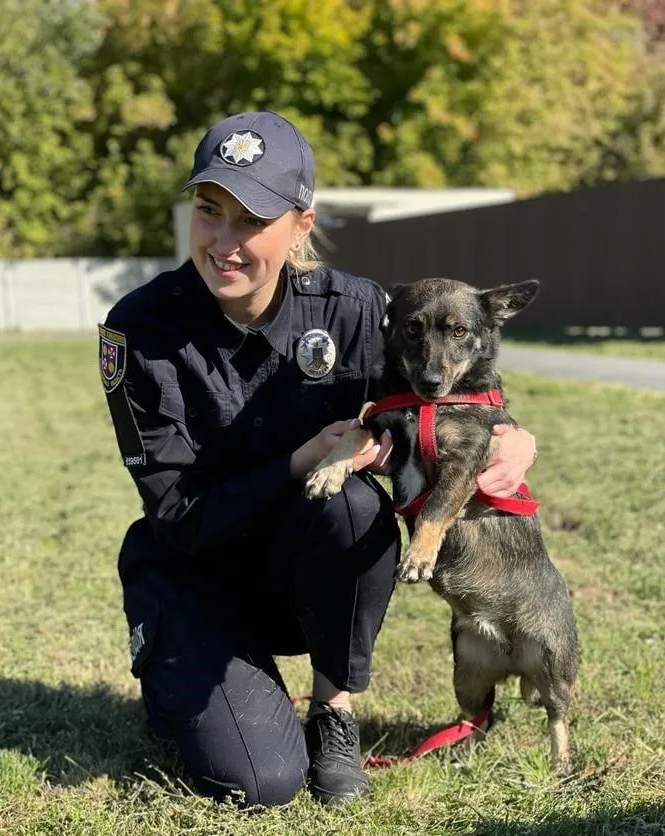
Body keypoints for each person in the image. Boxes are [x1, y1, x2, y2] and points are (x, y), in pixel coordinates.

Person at [99, 110, 537, 808]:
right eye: (210, 213)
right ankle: (182, 681)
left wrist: (513, 434)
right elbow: (178, 514)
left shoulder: (357, 310)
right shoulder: (140, 328)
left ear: (302, 225)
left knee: (355, 501)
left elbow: (434, 402)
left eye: (252, 220)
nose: (225, 241)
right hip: (195, 574)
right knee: (263, 783)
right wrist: (301, 459)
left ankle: (334, 708)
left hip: (299, 572)